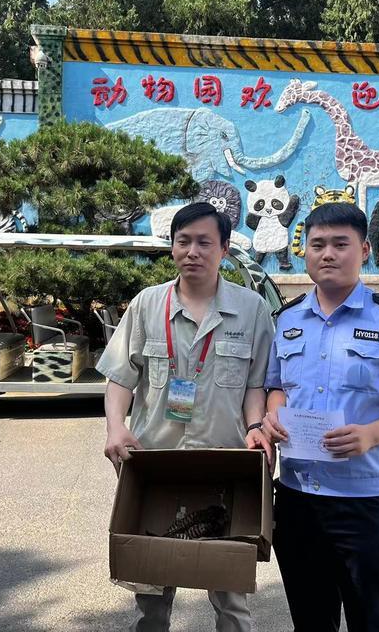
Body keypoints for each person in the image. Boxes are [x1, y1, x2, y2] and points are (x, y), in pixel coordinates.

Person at [262, 201, 379, 632]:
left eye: (340, 244)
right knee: (310, 620)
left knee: (371, 620)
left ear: (364, 250)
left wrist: (371, 435)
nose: (328, 254)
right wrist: (273, 416)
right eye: (317, 244)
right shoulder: (286, 320)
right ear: (304, 252)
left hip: (363, 501)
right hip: (297, 497)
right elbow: (275, 386)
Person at [97, 201, 275, 632]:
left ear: (225, 249)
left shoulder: (252, 310)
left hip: (225, 466)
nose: (192, 251)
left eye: (204, 242)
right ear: (172, 246)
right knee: (151, 594)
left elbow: (256, 385)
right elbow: (121, 377)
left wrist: (256, 427)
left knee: (231, 597)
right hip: (154, 465)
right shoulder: (147, 305)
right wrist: (116, 426)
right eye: (183, 241)